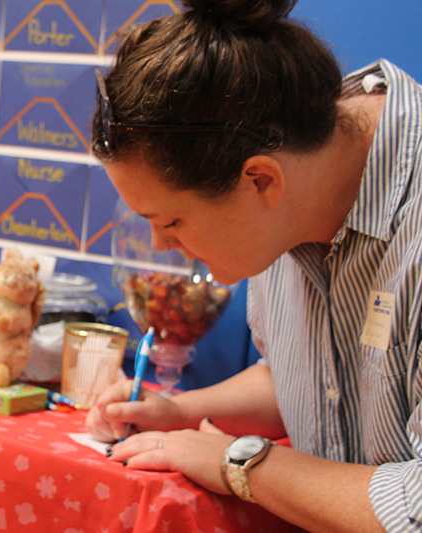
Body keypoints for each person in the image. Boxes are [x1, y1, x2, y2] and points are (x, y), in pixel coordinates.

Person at [86, 0, 421, 531]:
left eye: (171, 221)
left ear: (260, 181)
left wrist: (241, 463)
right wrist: (182, 411)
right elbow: (307, 380)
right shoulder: (291, 188)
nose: (161, 244)